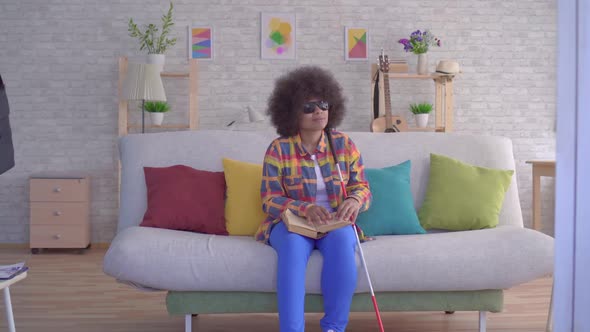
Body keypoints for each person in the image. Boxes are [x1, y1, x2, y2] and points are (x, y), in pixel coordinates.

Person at [255, 66, 372, 332]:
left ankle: (333, 328)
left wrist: (354, 200)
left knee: (343, 241)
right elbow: (269, 199)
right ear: (291, 112)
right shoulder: (279, 149)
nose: (318, 111)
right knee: (293, 249)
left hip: (333, 222)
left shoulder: (344, 144)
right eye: (308, 107)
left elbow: (362, 187)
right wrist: (303, 208)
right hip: (292, 224)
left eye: (323, 104)